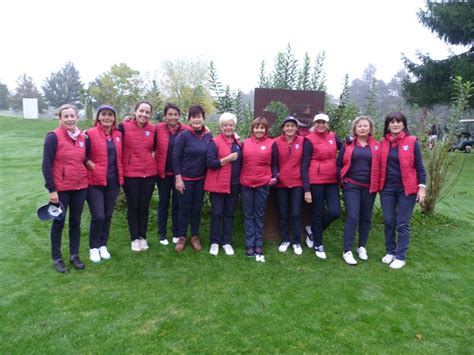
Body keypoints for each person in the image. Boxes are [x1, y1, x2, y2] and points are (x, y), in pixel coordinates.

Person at [42, 104, 88, 273]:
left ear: (77, 117)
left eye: (72, 116)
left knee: (75, 222)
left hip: (80, 187)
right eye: (66, 116)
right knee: (58, 222)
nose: (69, 119)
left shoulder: (83, 137)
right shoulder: (53, 137)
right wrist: (51, 190)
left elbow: (85, 158)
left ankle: (74, 255)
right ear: (60, 118)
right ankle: (57, 258)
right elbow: (46, 166)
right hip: (60, 189)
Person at [379, 112, 426, 269]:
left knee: (402, 223)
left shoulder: (412, 142)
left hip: (407, 189)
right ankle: (390, 251)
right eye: (391, 122)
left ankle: (400, 256)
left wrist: (422, 188)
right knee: (389, 221)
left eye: (398, 121)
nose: (395, 124)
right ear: (387, 125)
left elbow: (420, 167)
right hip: (387, 189)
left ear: (404, 124)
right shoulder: (383, 143)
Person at [337, 116, 380, 265]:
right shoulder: (348, 145)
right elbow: (339, 164)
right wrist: (341, 179)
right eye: (359, 126)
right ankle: (347, 250)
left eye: (365, 126)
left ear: (370, 128)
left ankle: (361, 246)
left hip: (369, 187)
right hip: (351, 185)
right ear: (355, 129)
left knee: (366, 217)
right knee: (353, 217)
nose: (362, 128)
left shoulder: (377, 146)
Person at [85, 105, 123, 263]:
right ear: (98, 117)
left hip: (113, 182)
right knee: (98, 216)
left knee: (107, 215)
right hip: (94, 182)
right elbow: (82, 155)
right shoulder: (89, 134)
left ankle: (102, 245)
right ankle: (93, 247)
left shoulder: (118, 135)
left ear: (114, 118)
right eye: (104, 114)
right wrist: (95, 167)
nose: (107, 117)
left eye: (110, 115)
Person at [302, 113, 342, 260]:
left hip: (331, 180)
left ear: (327, 124)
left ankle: (312, 229)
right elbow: (304, 164)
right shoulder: (309, 139)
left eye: (323, 122)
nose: (321, 125)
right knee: (318, 212)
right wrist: (306, 189)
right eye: (318, 122)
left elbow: (345, 149)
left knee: (335, 212)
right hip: (316, 180)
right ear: (314, 123)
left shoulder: (332, 136)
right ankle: (318, 244)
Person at [173, 105, 212, 253]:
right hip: (185, 180)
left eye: (199, 117)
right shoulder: (183, 135)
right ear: (189, 119)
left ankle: (195, 236)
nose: (196, 120)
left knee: (196, 209)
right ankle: (182, 237)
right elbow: (175, 157)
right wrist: (178, 178)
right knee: (184, 209)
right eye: (193, 117)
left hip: (201, 179)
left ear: (203, 118)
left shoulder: (208, 135)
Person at [119, 101, 156, 252]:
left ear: (150, 115)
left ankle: (142, 237)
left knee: (144, 206)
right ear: (135, 111)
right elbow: (105, 131)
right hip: (131, 174)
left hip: (149, 174)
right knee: (133, 206)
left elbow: (169, 136)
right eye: (141, 111)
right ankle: (134, 238)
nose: (144, 114)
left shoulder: (153, 129)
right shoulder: (124, 126)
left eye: (147, 112)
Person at [204, 112, 242, 256]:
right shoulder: (214, 142)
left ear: (234, 126)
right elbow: (210, 163)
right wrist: (226, 159)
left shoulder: (238, 142)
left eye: (230, 125)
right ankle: (214, 242)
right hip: (218, 184)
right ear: (221, 127)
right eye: (225, 125)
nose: (228, 127)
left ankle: (226, 242)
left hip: (234, 184)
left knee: (229, 214)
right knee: (217, 213)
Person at [240, 117, 277, 260]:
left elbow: (274, 163)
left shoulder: (271, 144)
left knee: (259, 215)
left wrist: (274, 177)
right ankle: (249, 245)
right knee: (248, 215)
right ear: (252, 128)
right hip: (246, 184)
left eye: (262, 127)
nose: (259, 130)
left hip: (263, 184)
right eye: (256, 127)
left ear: (266, 130)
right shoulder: (245, 143)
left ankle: (258, 244)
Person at [273, 116, 309, 256]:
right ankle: (285, 240)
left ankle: (296, 241)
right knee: (283, 213)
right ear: (283, 128)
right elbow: (274, 164)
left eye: (292, 126)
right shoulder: (276, 142)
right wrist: (276, 176)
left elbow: (305, 164)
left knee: (295, 213)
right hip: (281, 184)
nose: (290, 128)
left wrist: (306, 187)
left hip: (297, 183)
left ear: (296, 128)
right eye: (287, 125)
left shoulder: (303, 141)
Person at [154, 103, 188, 246]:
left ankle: (176, 232)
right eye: (170, 114)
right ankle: (162, 233)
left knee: (178, 204)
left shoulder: (186, 130)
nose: (173, 117)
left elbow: (202, 131)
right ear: (165, 116)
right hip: (163, 173)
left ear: (179, 116)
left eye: (175, 114)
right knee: (163, 203)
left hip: (179, 174)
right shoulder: (158, 128)